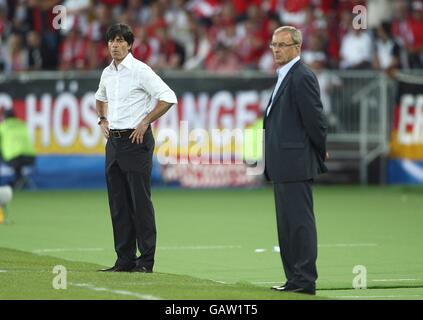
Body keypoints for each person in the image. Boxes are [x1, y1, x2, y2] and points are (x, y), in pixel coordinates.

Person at [95, 23, 177, 273]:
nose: (115, 45)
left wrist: (145, 121)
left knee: (139, 201)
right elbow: (100, 98)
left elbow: (169, 97)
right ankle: (124, 259)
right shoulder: (108, 73)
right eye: (111, 41)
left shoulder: (141, 70)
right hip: (114, 142)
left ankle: (146, 260)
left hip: (136, 140)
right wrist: (102, 120)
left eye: (120, 41)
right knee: (118, 203)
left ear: (130, 45)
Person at [263, 26, 328, 295]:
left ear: (297, 48)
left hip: (296, 161)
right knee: (287, 225)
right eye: (274, 45)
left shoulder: (302, 76)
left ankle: (305, 279)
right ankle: (294, 278)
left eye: (282, 45)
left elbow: (314, 118)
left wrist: (320, 149)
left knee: (299, 223)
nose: (276, 49)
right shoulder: (285, 75)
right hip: (283, 162)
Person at [0, 110, 36, 189]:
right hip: (30, 157)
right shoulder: (23, 125)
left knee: (6, 155)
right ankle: (19, 179)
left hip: (14, 157)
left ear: (5, 117)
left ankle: (18, 180)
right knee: (17, 159)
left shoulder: (2, 127)